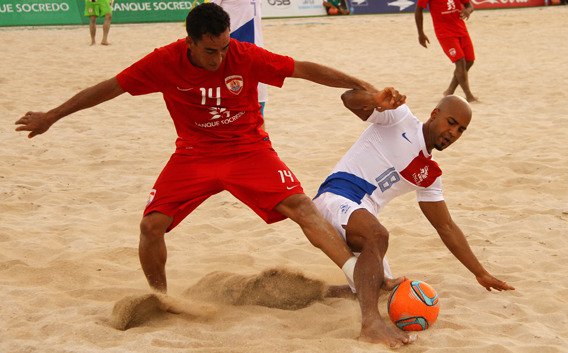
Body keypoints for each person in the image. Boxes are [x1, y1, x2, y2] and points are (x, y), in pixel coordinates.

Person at [15, 3, 410, 347]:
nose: (220, 58)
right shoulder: (162, 61)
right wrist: (52, 115)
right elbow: (110, 87)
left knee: (302, 206)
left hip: (248, 149)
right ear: (189, 41)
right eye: (210, 51)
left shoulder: (242, 53)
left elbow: (303, 69)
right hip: (193, 155)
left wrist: (367, 87)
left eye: (224, 48)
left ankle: (358, 283)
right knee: (151, 226)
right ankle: (160, 298)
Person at [314, 88, 515, 346]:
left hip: (358, 218)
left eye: (461, 130)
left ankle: (311, 293)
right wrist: (375, 99)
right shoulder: (399, 118)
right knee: (378, 235)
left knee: (374, 289)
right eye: (451, 123)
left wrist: (480, 273)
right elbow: (348, 99)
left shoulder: (430, 175)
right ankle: (371, 325)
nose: (453, 133)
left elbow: (446, 226)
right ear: (434, 114)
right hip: (336, 198)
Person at [415, 0, 478, 102]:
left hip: (461, 29)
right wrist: (420, 33)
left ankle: (449, 91)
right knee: (460, 62)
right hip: (444, 33)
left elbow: (469, 5)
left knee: (469, 61)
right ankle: (469, 96)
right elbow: (418, 11)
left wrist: (468, 11)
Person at [215, 0, 268, 115]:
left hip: (257, 49)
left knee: (259, 104)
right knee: (230, 106)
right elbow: (208, 16)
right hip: (232, 51)